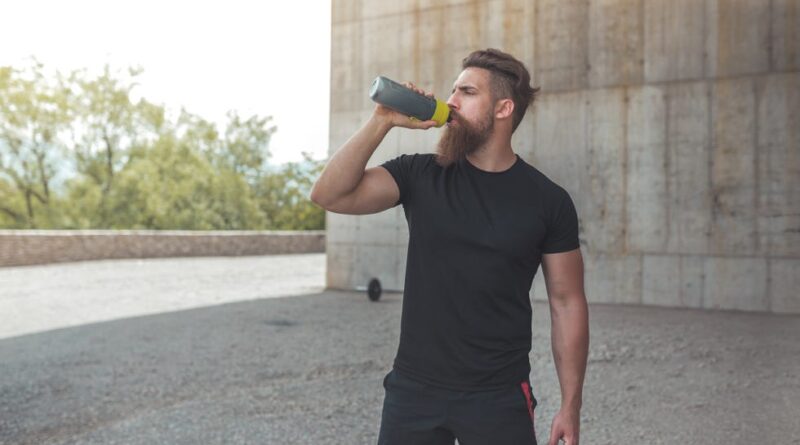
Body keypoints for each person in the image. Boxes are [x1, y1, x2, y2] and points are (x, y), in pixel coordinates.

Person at [310, 48, 589, 445]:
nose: (451, 101)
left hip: (499, 397)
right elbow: (329, 195)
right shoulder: (421, 174)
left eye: (467, 92)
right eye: (452, 90)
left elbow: (567, 302)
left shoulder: (548, 201)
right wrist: (382, 121)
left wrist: (570, 405)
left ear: (503, 108)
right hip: (413, 393)